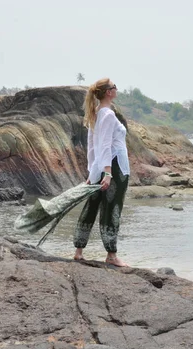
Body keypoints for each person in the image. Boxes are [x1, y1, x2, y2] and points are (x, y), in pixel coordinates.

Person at [73, 78, 130, 267]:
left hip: (101, 166)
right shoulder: (108, 115)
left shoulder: (96, 113)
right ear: (108, 92)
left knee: (92, 205)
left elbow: (92, 146)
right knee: (112, 208)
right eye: (114, 86)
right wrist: (107, 173)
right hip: (113, 167)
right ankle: (111, 255)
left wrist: (93, 170)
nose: (117, 88)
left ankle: (79, 251)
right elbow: (104, 145)